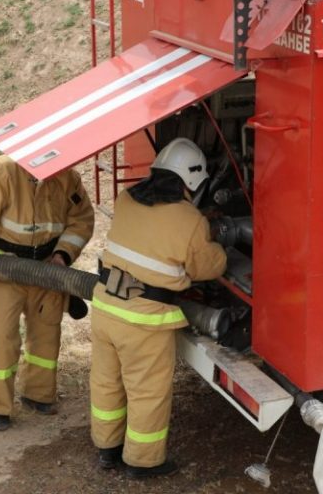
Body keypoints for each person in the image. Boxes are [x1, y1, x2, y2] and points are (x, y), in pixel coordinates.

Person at [89, 138, 227, 479]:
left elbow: (152, 234)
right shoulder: (190, 219)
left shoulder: (126, 199)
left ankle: (107, 449)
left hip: (106, 306)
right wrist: (212, 236)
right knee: (147, 392)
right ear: (192, 180)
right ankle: (143, 461)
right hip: (143, 320)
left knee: (107, 381)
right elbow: (208, 267)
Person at [0, 155, 94, 431]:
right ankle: (0, 407)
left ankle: (39, 394)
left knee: (47, 332)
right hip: (4, 272)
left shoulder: (68, 178)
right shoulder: (2, 173)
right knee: (1, 337)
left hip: (47, 271)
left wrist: (62, 255)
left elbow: (82, 220)